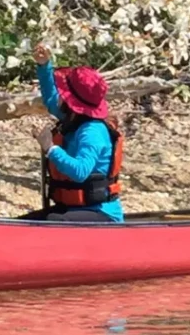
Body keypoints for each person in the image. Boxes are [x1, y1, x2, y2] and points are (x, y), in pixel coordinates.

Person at [20, 43, 125, 223]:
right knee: (24, 223)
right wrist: (44, 66)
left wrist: (50, 148)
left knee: (50, 222)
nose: (60, 95)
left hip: (102, 214)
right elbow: (50, 98)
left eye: (64, 92)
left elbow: (80, 171)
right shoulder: (72, 116)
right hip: (73, 208)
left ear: (71, 101)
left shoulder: (92, 132)